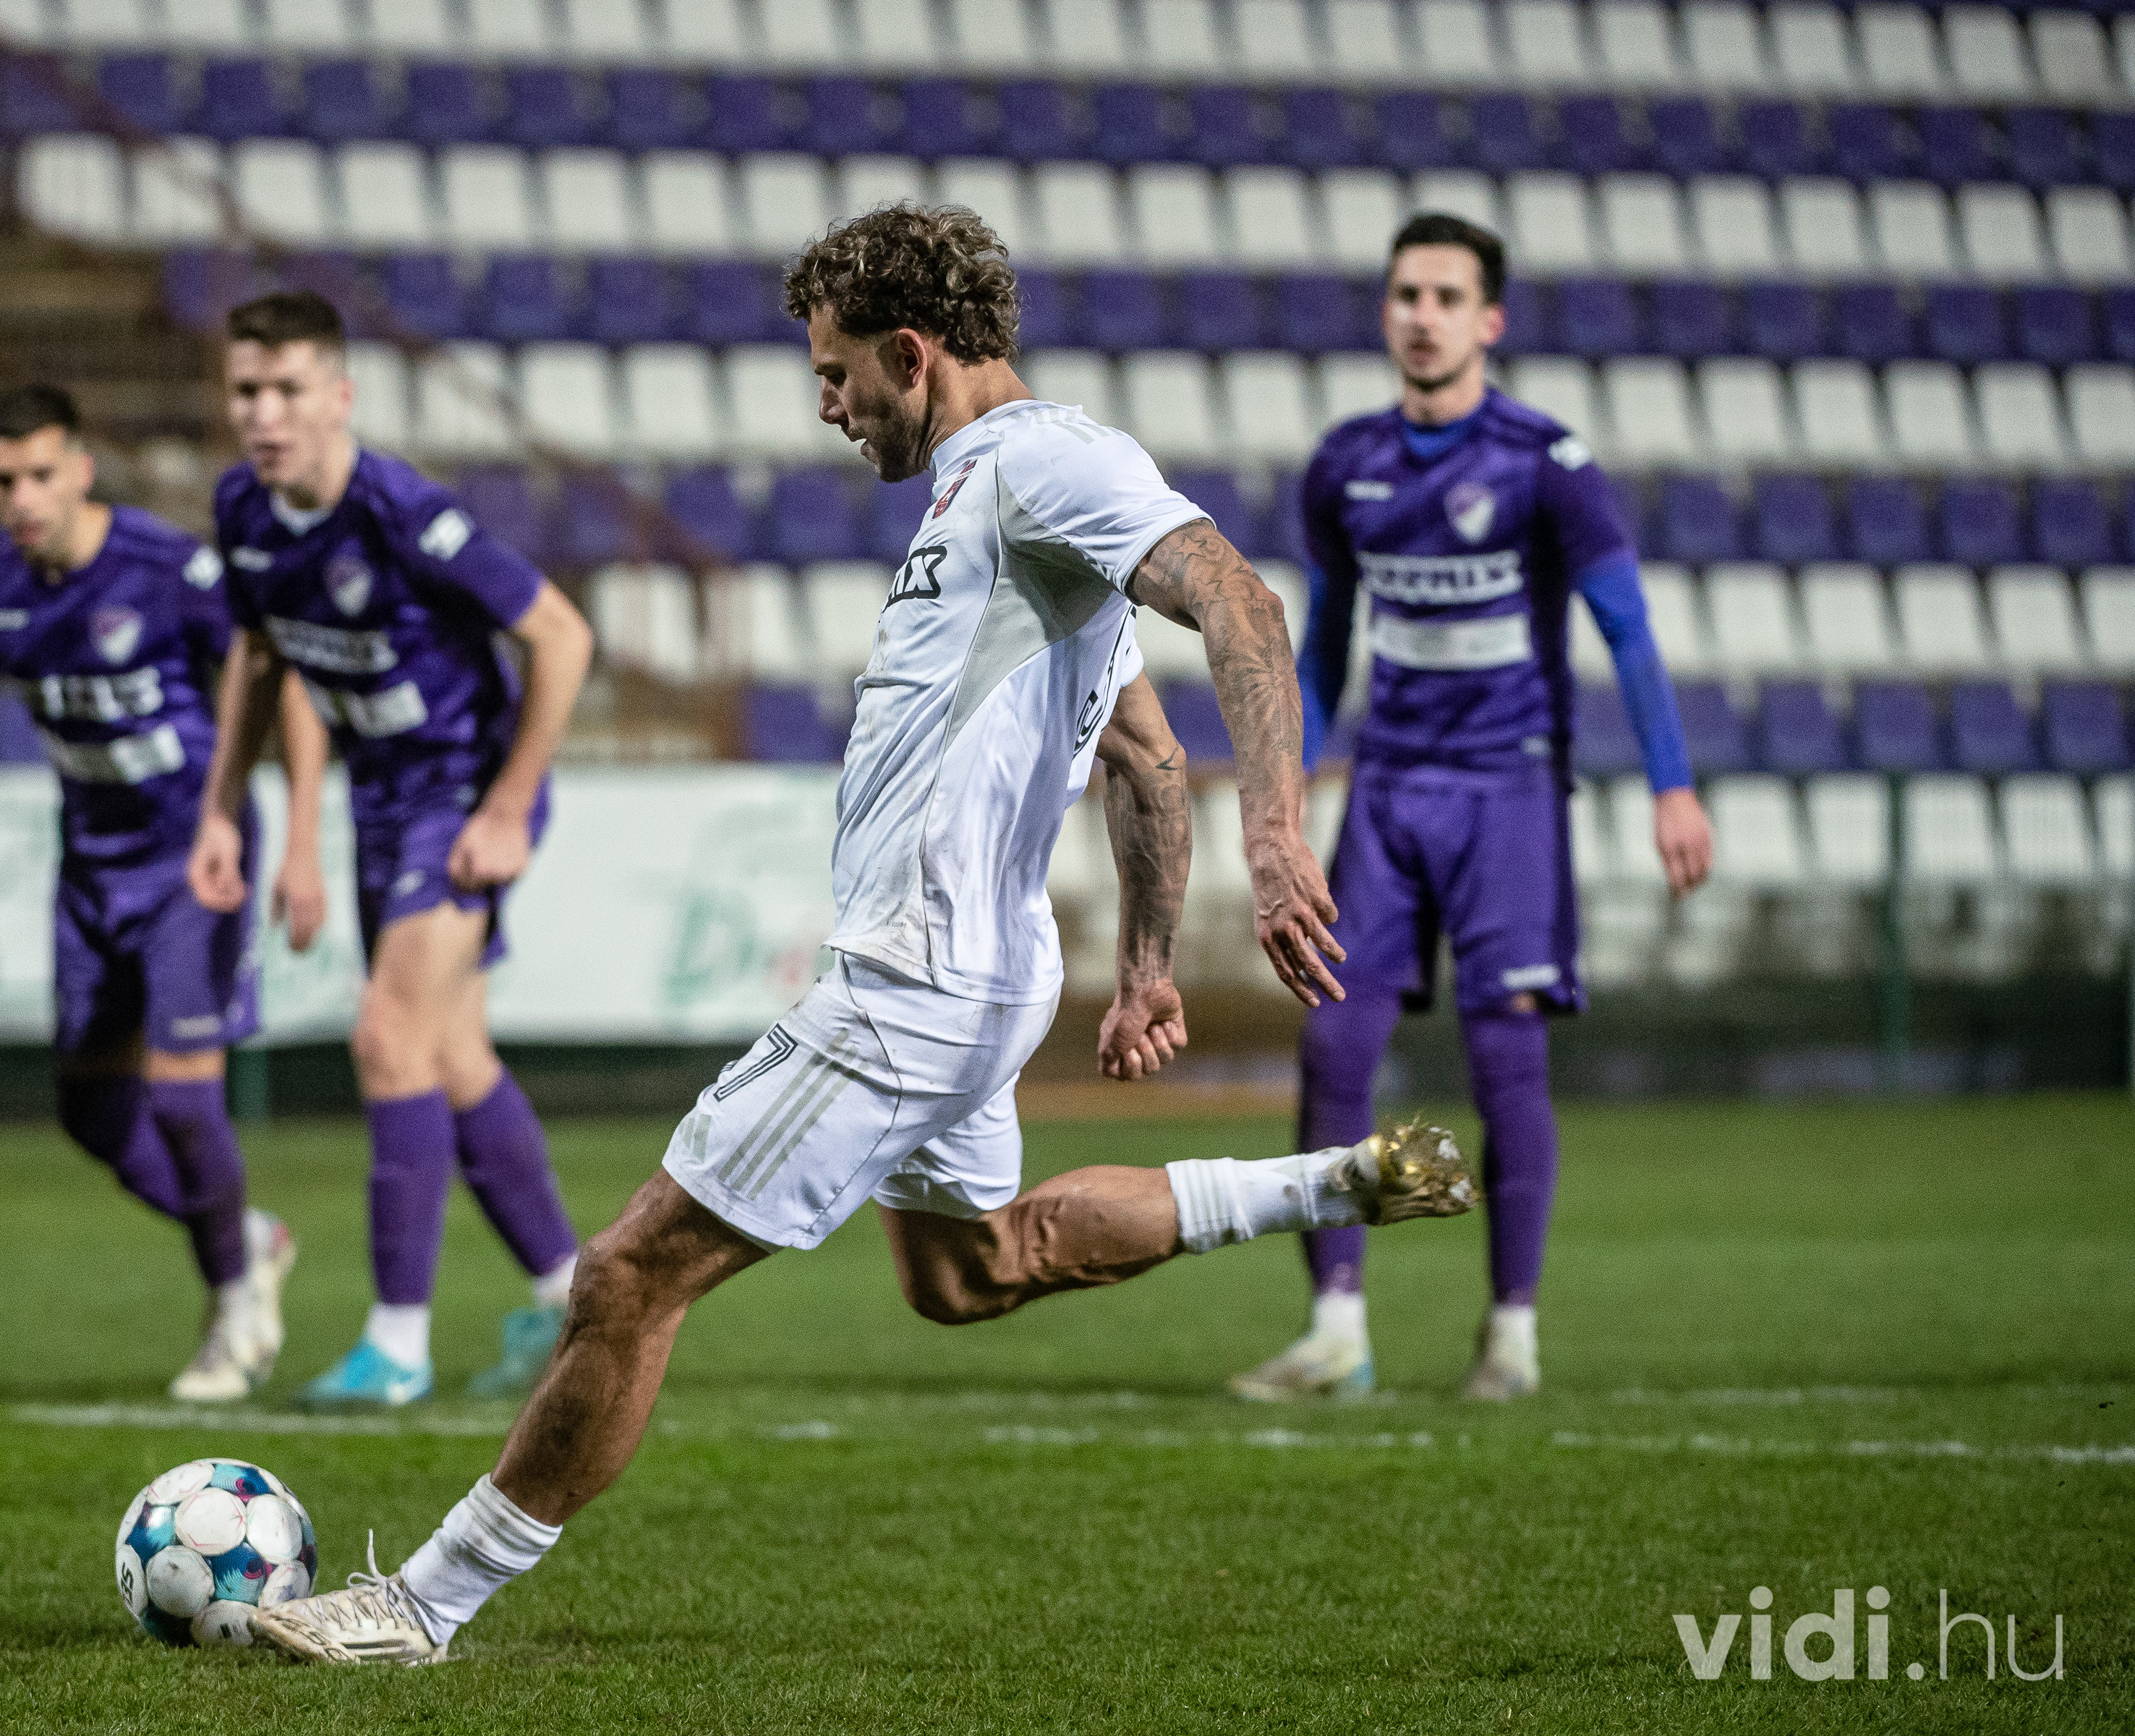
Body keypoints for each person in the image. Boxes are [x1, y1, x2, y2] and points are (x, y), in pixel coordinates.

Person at [246, 204, 1476, 1668]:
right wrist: (1148, 963)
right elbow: (1145, 755)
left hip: (915, 979)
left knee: (627, 1276)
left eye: (836, 375)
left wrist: (1276, 840)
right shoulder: (996, 510)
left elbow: (1241, 602)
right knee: (975, 1270)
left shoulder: (1043, 462)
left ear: (912, 352)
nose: (827, 406)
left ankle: (419, 1606)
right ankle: (1330, 1183)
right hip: (984, 977)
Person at [1230, 214, 1716, 1406]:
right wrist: (1286, 789)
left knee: (1506, 1060)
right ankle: (1336, 1330)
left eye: (1448, 296)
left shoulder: (1547, 464)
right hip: (1389, 792)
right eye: (1407, 293)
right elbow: (1327, 645)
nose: (1423, 315)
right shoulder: (1346, 465)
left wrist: (1672, 783)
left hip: (1509, 793)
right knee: (1333, 1046)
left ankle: (1511, 1336)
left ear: (1489, 319)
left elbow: (1627, 628)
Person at [190, 292, 596, 1408]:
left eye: (287, 390)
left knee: (385, 1036)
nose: (264, 414)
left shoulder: (402, 512)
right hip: (380, 804)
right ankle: (575, 1301)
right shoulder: (243, 509)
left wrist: (509, 805)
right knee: (451, 1055)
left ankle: (398, 1344)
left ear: (339, 396)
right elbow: (260, 656)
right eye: (246, 392)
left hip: (459, 797)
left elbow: (562, 635)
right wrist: (227, 810)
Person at [0, 383, 325, 1402]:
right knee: (91, 1110)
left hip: (196, 856)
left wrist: (298, 844)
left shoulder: (168, 569)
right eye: (2, 481)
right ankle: (246, 1235)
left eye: (39, 475)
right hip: (91, 865)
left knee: (184, 1096)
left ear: (80, 470)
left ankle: (235, 1308)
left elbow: (276, 680)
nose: (22, 499)